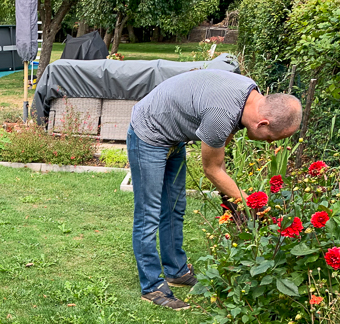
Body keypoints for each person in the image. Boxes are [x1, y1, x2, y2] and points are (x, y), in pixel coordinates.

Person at [127, 69, 302, 310]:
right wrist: (252, 206)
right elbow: (212, 169)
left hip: (172, 133)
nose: (269, 143)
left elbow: (221, 142)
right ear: (262, 123)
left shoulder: (250, 96)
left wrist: (231, 197)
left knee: (174, 207)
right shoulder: (222, 114)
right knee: (149, 214)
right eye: (271, 138)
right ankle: (151, 285)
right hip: (149, 132)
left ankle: (176, 271)